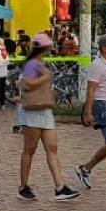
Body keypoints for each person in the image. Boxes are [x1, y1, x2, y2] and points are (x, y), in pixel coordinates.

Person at [16, 33, 79, 201]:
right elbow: (27, 83)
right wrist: (45, 77)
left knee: (52, 148)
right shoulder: (32, 64)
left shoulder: (39, 63)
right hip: (33, 111)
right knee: (30, 149)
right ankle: (23, 186)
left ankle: (60, 187)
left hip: (44, 110)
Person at [77, 33, 106, 189]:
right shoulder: (97, 65)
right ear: (104, 48)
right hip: (102, 105)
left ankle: (86, 168)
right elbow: (91, 90)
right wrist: (88, 112)